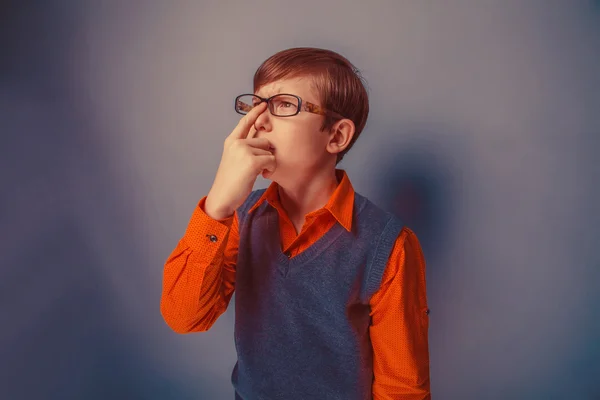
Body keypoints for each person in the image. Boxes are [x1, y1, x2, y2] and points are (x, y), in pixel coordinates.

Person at [160, 47, 431, 400]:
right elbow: (184, 317)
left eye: (284, 105)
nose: (258, 121)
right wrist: (218, 205)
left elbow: (402, 389)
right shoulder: (239, 220)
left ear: (336, 136)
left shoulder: (389, 246)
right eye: (256, 104)